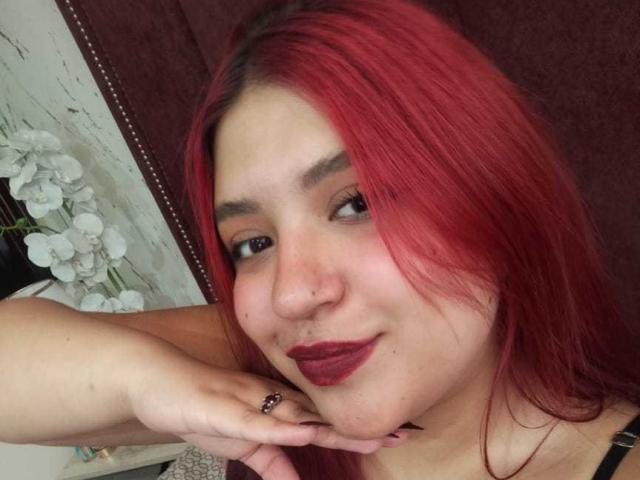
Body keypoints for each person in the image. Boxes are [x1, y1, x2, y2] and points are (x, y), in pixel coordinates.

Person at [1, 1, 639, 479]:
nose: (292, 295)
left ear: (494, 199)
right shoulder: (280, 372)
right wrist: (138, 384)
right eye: (253, 243)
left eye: (357, 204)